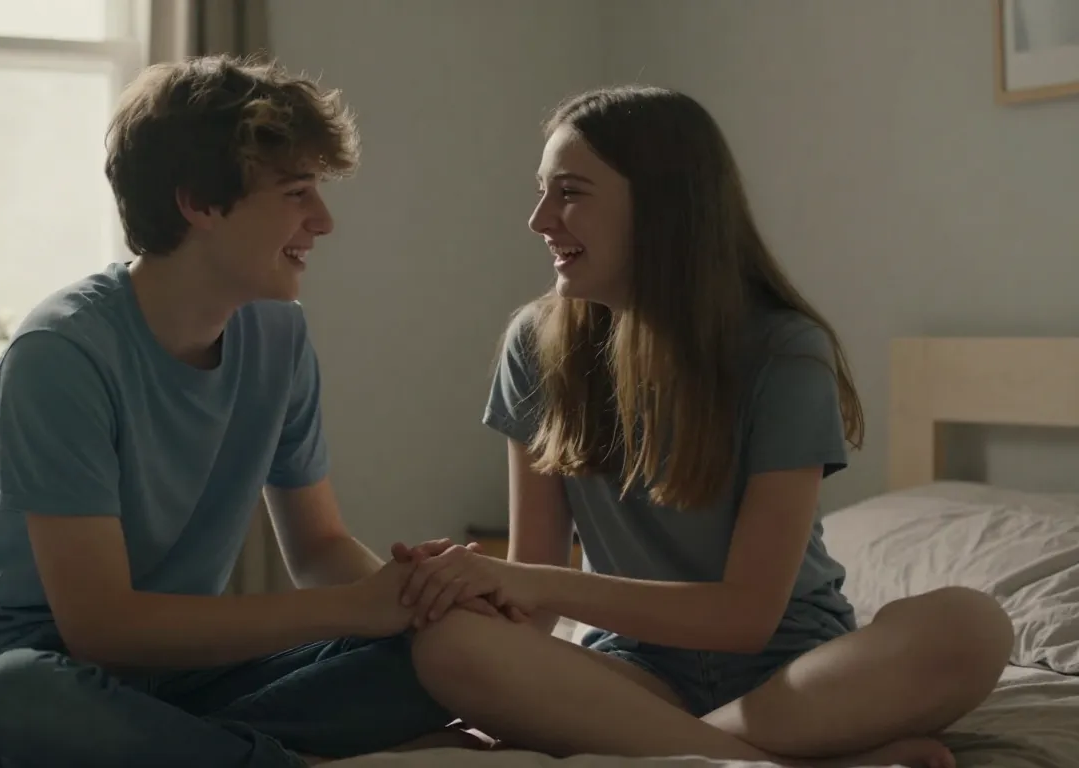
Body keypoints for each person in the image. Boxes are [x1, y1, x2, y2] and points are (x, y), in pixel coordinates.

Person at [395, 85, 1015, 768]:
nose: (540, 219)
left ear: (663, 207)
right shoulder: (535, 347)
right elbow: (535, 592)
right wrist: (471, 592)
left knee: (973, 625)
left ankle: (678, 748)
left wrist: (532, 586)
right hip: (636, 672)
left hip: (793, 672)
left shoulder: (783, 352)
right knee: (450, 645)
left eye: (569, 193)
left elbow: (744, 617)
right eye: (543, 192)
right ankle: (768, 760)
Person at [0, 54, 497, 768]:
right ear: (199, 202)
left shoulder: (278, 335)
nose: (323, 220)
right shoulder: (59, 354)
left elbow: (318, 547)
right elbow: (104, 628)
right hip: (45, 665)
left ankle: (205, 750)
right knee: (10, 704)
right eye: (296, 192)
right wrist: (355, 608)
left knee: (447, 651)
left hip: (190, 677)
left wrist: (413, 599)